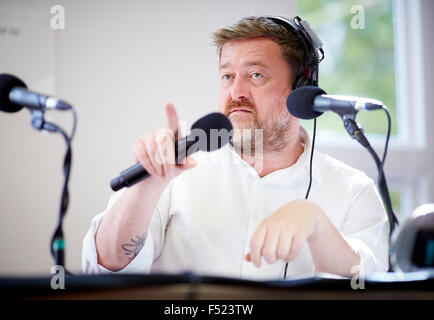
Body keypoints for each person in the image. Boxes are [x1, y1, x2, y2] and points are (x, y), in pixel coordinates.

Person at [82, 16, 388, 280]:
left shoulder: (353, 190)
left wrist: (317, 224)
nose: (236, 92)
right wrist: (148, 185)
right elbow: (104, 269)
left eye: (256, 75)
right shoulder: (178, 167)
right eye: (227, 76)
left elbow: (367, 288)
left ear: (301, 88)